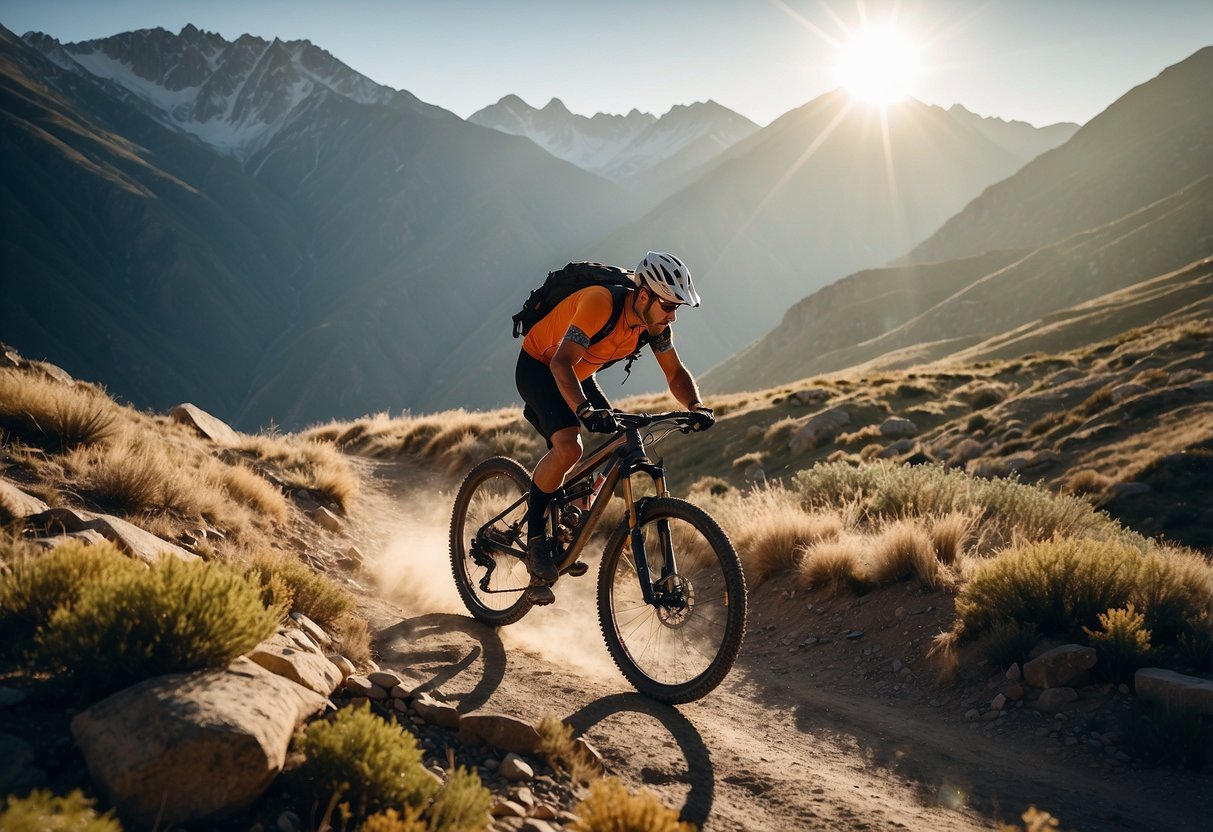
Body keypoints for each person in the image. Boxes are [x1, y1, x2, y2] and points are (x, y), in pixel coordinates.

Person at [514, 251, 715, 603]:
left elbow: (675, 372)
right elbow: (561, 363)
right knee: (569, 447)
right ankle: (536, 544)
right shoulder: (599, 304)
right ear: (643, 296)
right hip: (542, 367)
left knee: (618, 438)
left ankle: (565, 523)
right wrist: (582, 410)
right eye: (668, 306)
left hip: (580, 372)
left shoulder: (655, 326)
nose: (672, 316)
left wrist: (695, 406)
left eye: (676, 309)